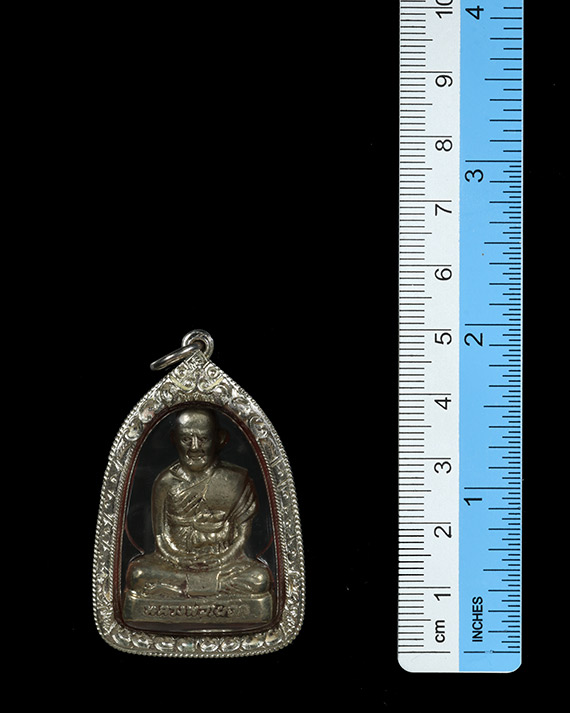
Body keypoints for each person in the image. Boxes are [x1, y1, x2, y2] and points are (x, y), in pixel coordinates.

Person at [124, 407, 273, 603]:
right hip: (176, 563)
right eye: (186, 439)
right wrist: (181, 560)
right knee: (138, 574)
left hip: (225, 564)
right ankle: (202, 593)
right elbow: (161, 540)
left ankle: (181, 594)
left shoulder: (236, 480)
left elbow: (241, 538)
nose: (194, 447)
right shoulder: (165, 483)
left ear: (220, 439)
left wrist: (221, 559)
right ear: (174, 439)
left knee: (259, 578)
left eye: (203, 439)